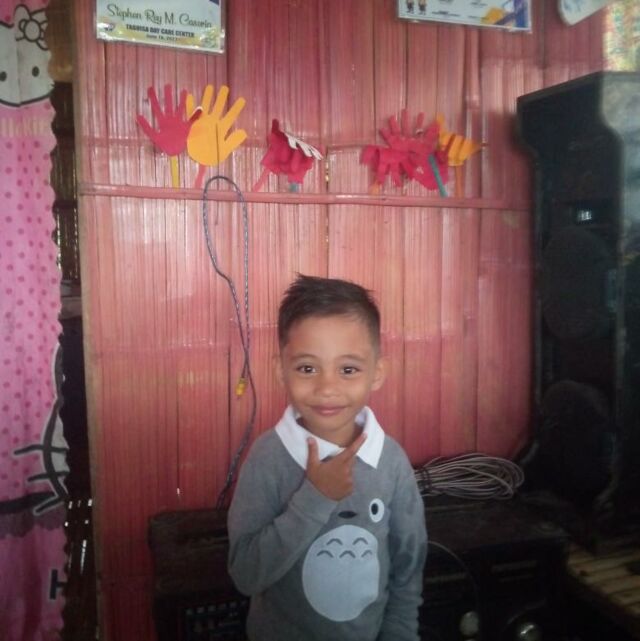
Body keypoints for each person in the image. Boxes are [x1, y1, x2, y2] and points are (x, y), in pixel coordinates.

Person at [227, 274, 427, 641]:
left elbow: (407, 568)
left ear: (376, 373)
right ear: (280, 370)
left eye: (348, 369)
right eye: (307, 368)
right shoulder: (268, 458)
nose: (327, 388)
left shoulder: (391, 462)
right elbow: (246, 574)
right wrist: (315, 498)